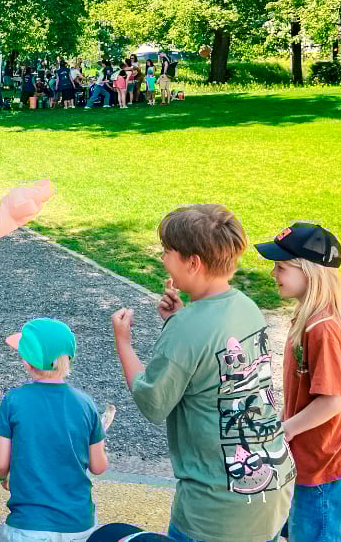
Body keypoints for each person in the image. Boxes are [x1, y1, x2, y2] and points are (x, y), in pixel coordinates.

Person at [112, 204, 296, 542]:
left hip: (216, 511)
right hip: (271, 488)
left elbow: (152, 401)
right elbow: (219, 362)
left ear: (193, 262)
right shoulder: (246, 306)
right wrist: (177, 320)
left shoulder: (187, 328)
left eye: (168, 251)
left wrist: (124, 342)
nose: (163, 259)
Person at [255, 223, 341, 542]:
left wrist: (286, 429)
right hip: (311, 462)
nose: (274, 273)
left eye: (281, 267)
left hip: (326, 468)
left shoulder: (321, 328)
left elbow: (334, 400)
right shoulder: (308, 317)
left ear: (309, 271)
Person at [0, 318, 110, 542]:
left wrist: (2, 479)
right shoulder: (86, 404)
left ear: (27, 361)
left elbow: (0, 463)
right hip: (78, 523)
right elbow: (98, 466)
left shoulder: (13, 401)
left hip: (30, 524)